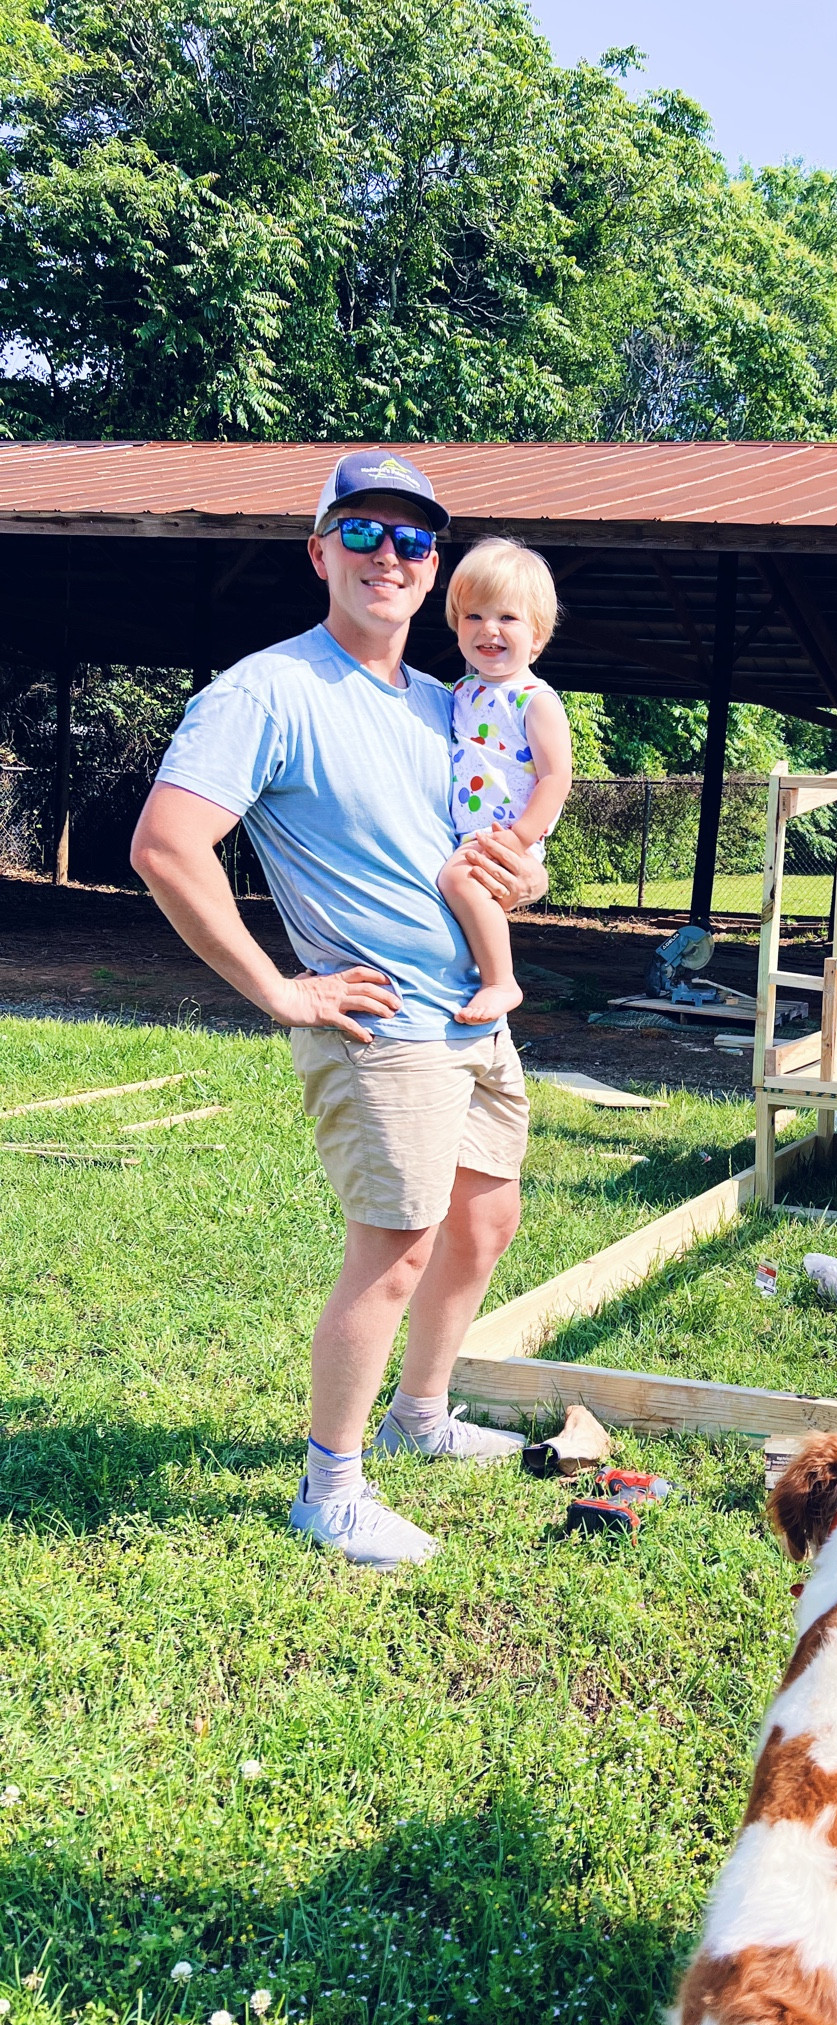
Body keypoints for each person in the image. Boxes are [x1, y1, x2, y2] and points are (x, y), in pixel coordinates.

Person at [131, 450, 549, 1571]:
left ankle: (423, 1410)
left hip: (474, 1017)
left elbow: (497, 845)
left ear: (435, 570)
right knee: (397, 1248)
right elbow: (167, 846)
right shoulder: (267, 690)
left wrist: (526, 875)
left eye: (412, 540)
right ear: (318, 552)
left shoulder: (452, 703)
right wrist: (278, 987)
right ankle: (333, 1486)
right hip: (382, 1024)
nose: (389, 557)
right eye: (361, 533)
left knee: (486, 1218)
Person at [438, 538, 574, 1023]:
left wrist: (519, 839)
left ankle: (500, 982)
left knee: (459, 880)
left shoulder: (535, 700)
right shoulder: (461, 691)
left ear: (537, 636)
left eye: (507, 618)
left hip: (508, 833)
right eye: (473, 616)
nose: (488, 629)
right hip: (473, 830)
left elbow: (557, 776)